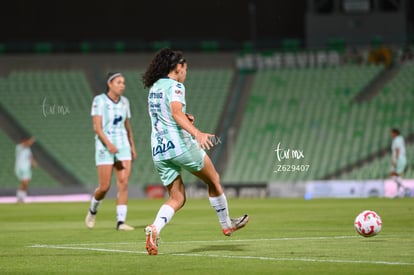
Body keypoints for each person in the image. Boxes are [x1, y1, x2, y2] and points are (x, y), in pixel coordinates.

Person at [142, 48, 249, 255]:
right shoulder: (176, 86)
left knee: (177, 198)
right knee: (214, 179)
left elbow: (167, 115)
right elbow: (175, 113)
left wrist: (185, 117)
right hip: (180, 146)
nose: (186, 73)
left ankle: (154, 229)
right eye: (185, 68)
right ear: (178, 67)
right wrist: (197, 133)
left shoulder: (155, 87)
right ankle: (227, 224)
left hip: (159, 150)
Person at [85, 72, 137, 231]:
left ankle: (121, 222)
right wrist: (108, 144)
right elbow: (97, 127)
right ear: (110, 84)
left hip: (122, 146)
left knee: (123, 183)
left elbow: (127, 127)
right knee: (104, 186)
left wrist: (132, 146)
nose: (122, 85)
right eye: (119, 82)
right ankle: (93, 210)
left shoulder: (125, 102)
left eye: (124, 83)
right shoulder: (99, 100)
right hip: (104, 146)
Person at [15, 137, 36, 203]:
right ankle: (20, 197)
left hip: (26, 168)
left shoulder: (28, 150)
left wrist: (33, 163)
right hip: (19, 168)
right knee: (24, 182)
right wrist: (31, 140)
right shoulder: (19, 147)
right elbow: (26, 144)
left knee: (25, 183)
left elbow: (30, 157)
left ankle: (21, 197)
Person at [389, 128, 408, 198]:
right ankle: (398, 193)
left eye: (392, 133)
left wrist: (395, 160)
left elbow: (397, 150)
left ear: (395, 133)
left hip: (399, 159)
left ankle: (405, 189)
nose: (391, 134)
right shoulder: (401, 139)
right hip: (402, 158)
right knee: (396, 176)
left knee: (394, 175)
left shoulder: (397, 140)